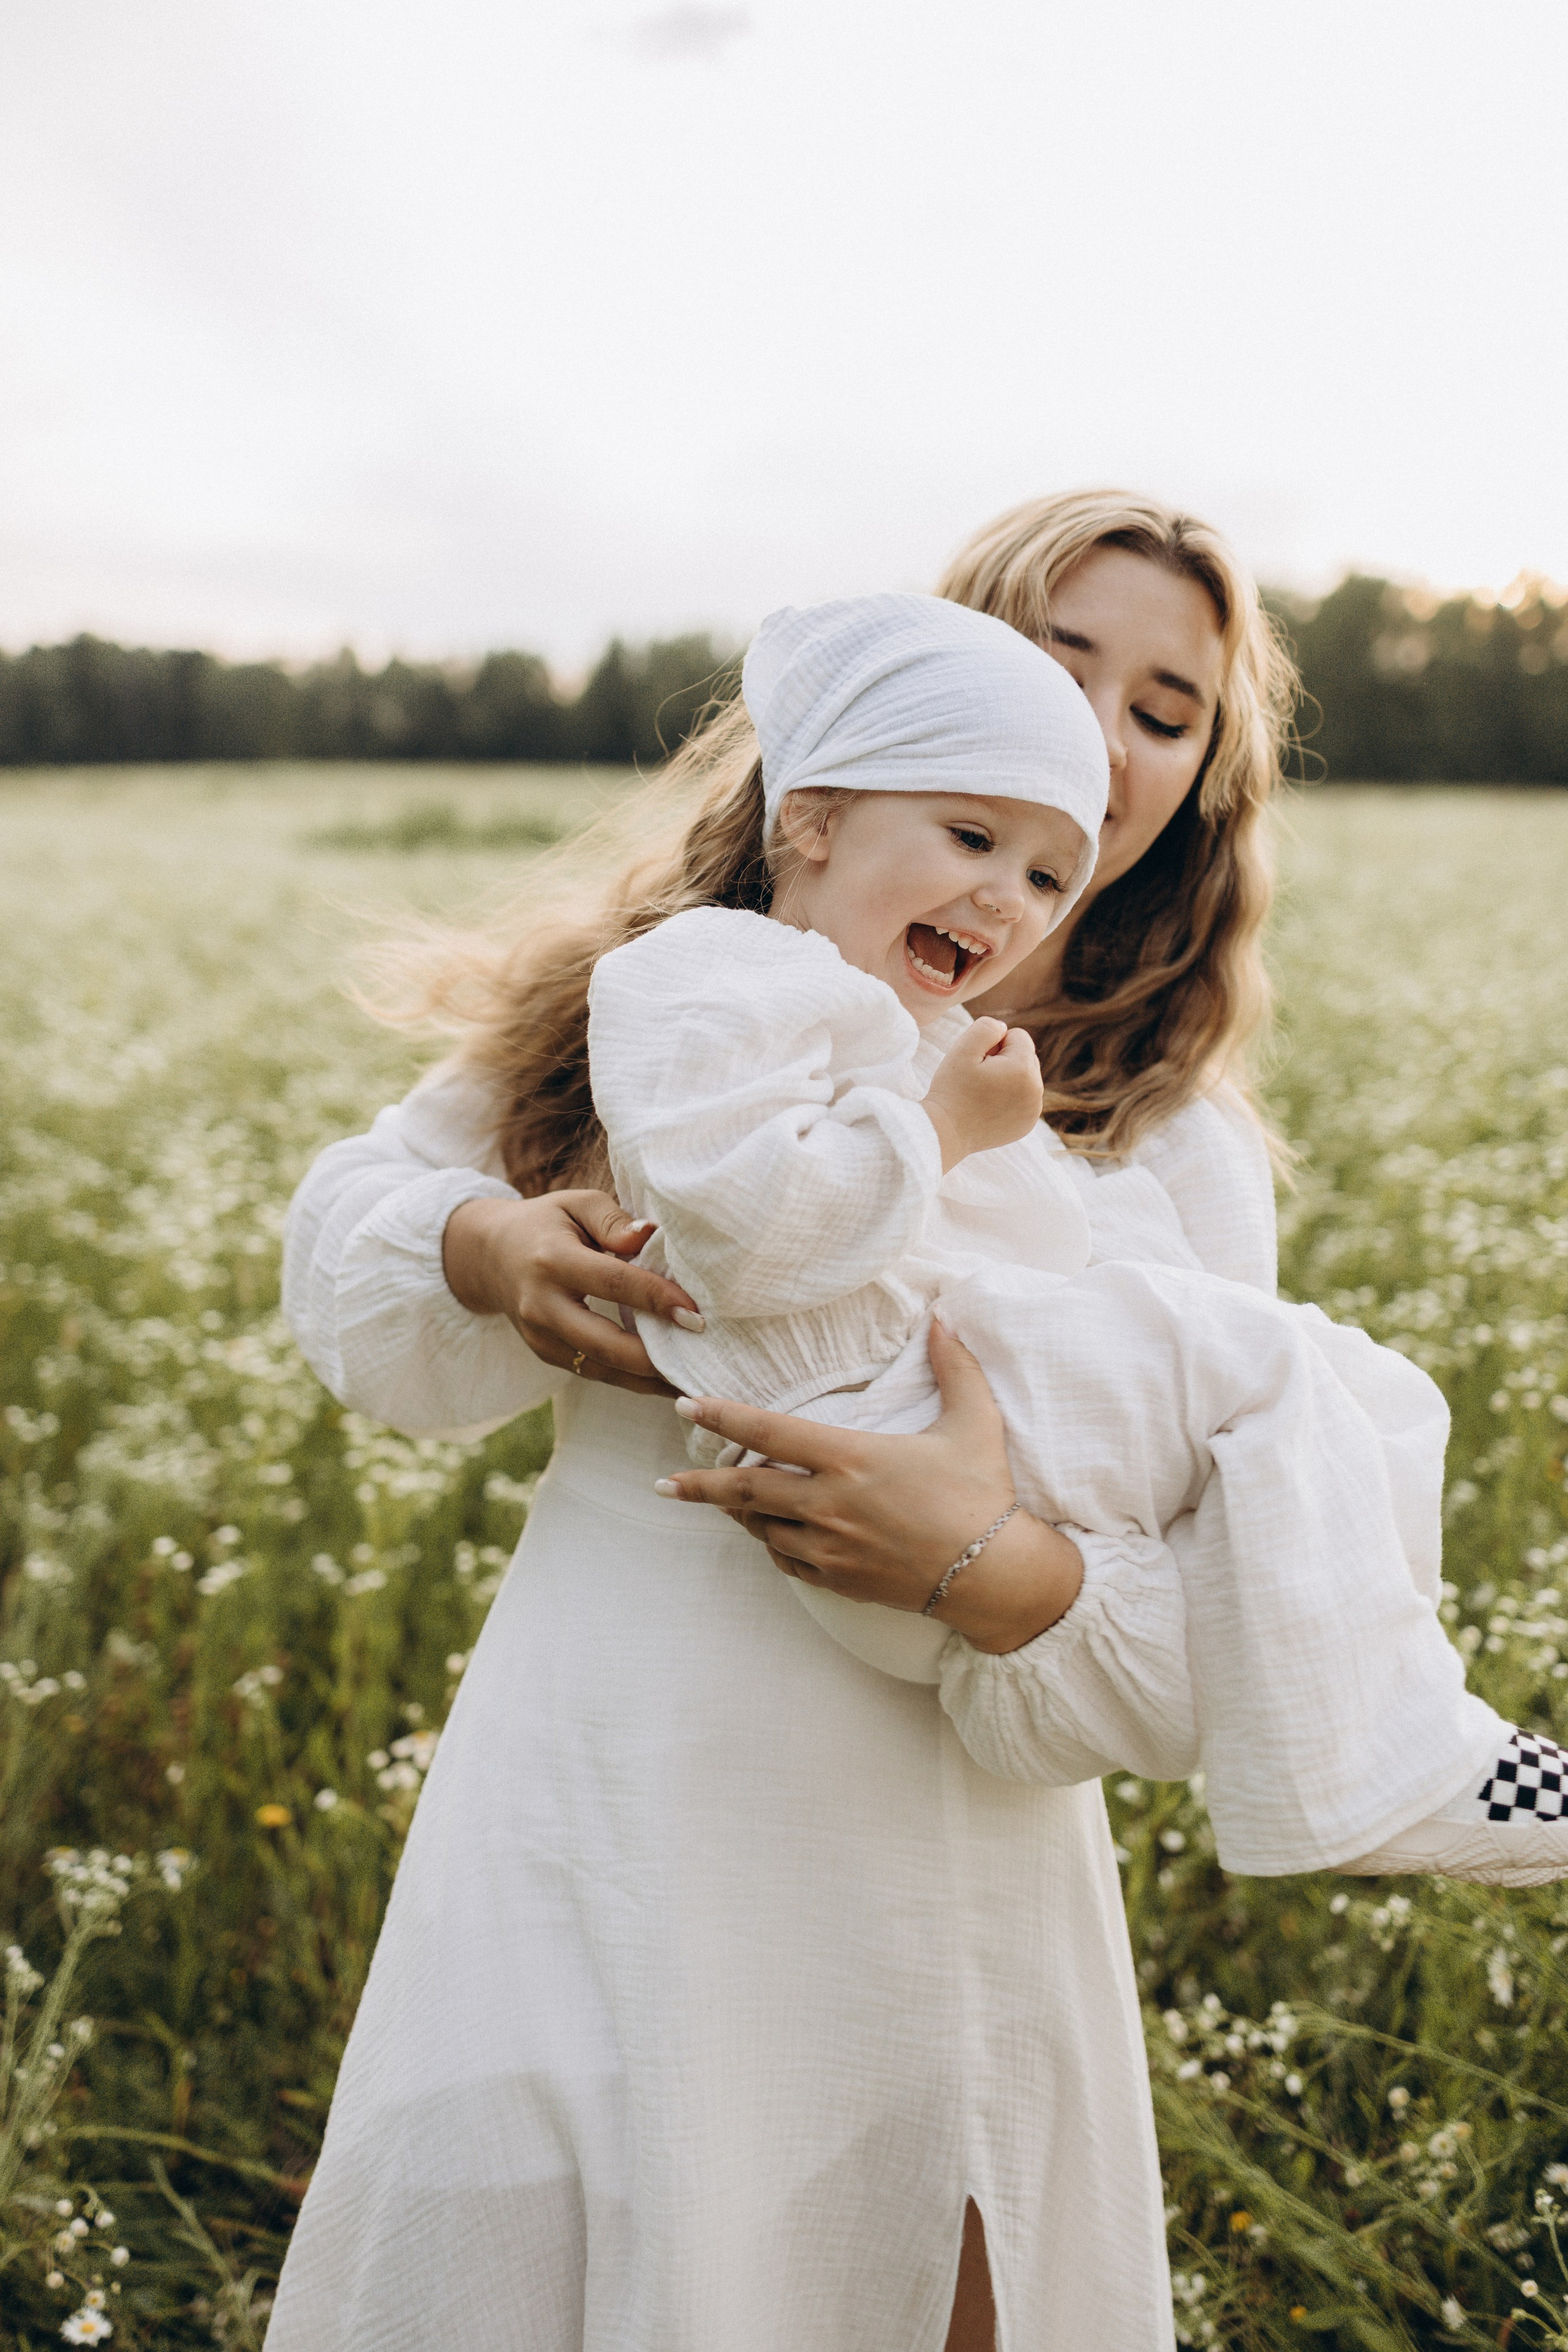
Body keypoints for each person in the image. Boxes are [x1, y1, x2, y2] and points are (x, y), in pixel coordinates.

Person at [258, 491, 1414, 2349]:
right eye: (1060, 662)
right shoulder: (669, 1002)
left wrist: (981, 1562)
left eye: (1167, 708)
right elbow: (349, 1228)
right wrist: (482, 1246)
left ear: (1204, 776)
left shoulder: (1169, 1144)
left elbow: (1220, 1616)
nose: (1104, 738)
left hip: (936, 1872)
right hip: (603, 1793)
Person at [588, 589, 1559, 1887]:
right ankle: (1390, 1764)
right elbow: (746, 1232)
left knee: (1374, 1401)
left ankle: (1379, 1726)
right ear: (810, 816)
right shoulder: (703, 976)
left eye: (1047, 872)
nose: (1005, 894)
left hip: (947, 1487)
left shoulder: (896, 1017)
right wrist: (937, 1131)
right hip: (856, 1426)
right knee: (1268, 1375)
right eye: (973, 833)